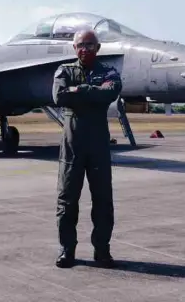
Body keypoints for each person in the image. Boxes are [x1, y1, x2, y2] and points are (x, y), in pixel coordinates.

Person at [51, 29, 123, 268]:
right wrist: (93, 92)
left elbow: (111, 92)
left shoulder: (108, 71)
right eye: (81, 45)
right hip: (73, 144)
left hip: (98, 144)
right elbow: (59, 96)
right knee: (67, 200)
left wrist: (80, 91)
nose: (85, 49)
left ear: (98, 48)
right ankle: (67, 251)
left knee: (103, 200)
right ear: (74, 48)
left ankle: (102, 251)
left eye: (90, 45)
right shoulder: (65, 70)